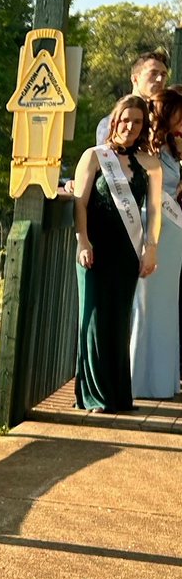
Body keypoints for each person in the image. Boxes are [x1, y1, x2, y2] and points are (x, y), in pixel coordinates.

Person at [73, 94, 163, 412]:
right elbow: (80, 202)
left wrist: (150, 249)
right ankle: (94, 396)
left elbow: (154, 212)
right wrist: (83, 240)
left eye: (137, 122)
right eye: (125, 119)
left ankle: (118, 397)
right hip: (95, 249)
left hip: (127, 253)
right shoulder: (95, 157)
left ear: (143, 127)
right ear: (115, 120)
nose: (130, 126)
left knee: (119, 321)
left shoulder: (151, 165)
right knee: (94, 319)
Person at [130, 85, 182, 398]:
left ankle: (162, 380)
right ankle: (138, 378)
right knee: (145, 303)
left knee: (166, 305)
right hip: (152, 230)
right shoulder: (144, 149)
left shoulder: (172, 148)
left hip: (175, 234)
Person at [95, 51, 169, 146]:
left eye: (163, 75)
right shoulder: (110, 124)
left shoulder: (167, 122)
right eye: (153, 73)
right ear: (135, 78)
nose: (159, 79)